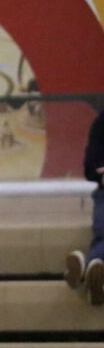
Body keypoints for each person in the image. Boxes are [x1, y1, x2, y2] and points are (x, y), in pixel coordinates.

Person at [64, 108, 104, 305]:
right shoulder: (101, 123)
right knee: (103, 232)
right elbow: (90, 167)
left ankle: (85, 268)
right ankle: (95, 276)